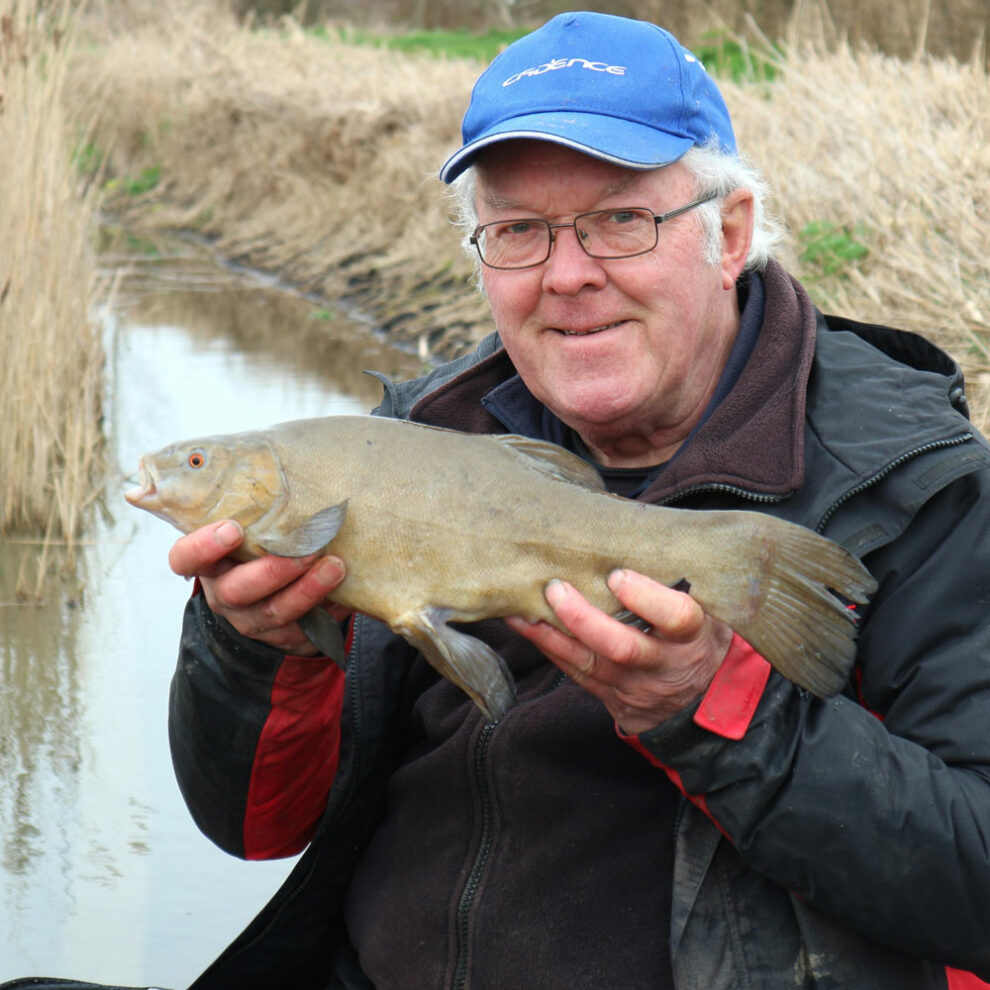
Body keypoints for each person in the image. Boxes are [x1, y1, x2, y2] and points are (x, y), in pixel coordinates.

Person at [161, 11, 990, 990]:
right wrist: (259, 648)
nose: (567, 274)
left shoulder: (914, 488)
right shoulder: (421, 438)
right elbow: (254, 827)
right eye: (519, 229)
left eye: (619, 220)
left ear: (729, 235)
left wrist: (719, 712)